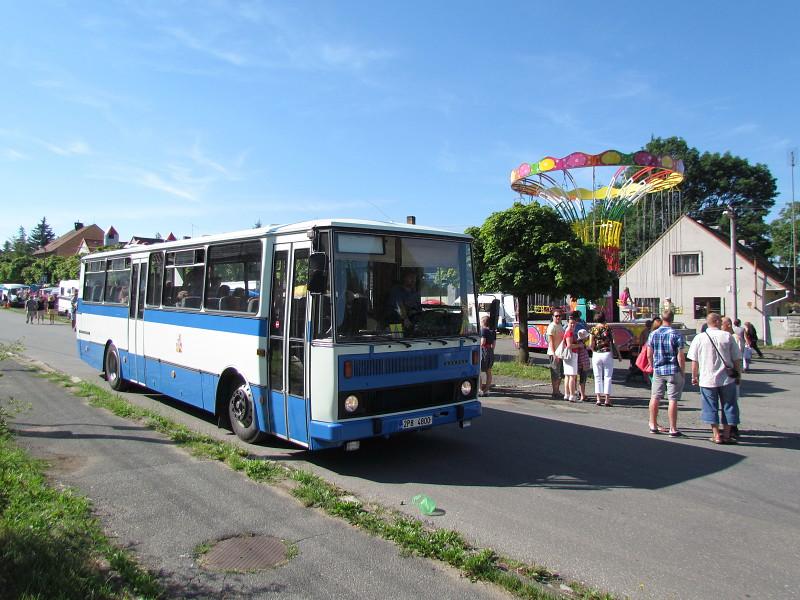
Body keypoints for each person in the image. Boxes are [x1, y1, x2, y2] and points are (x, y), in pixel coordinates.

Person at [688, 313, 742, 444]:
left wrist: (694, 376)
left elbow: (694, 361)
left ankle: (716, 434)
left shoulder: (699, 338)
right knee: (729, 405)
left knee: (710, 406)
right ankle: (728, 434)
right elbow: (736, 359)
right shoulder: (727, 336)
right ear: (717, 322)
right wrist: (738, 375)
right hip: (726, 378)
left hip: (707, 378)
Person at [646, 310, 686, 436]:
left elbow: (649, 354)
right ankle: (672, 428)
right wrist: (683, 371)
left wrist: (652, 366)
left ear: (662, 319)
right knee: (672, 399)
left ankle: (653, 424)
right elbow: (680, 356)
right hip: (672, 369)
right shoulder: (676, 334)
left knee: (655, 397)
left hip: (658, 369)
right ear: (672, 319)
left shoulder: (653, 334)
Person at [589, 313, 616, 406]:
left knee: (597, 377)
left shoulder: (593, 329)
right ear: (604, 319)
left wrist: (594, 351)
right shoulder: (608, 328)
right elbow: (614, 342)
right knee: (608, 377)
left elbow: (590, 344)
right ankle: (607, 399)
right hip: (607, 353)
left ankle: (598, 399)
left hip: (596, 354)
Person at [545, 310, 565, 399]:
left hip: (561, 353)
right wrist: (554, 354)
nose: (558, 317)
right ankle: (554, 391)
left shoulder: (560, 325)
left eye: (560, 316)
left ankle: (557, 390)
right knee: (555, 372)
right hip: (554, 353)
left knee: (560, 373)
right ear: (552, 316)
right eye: (556, 316)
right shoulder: (551, 326)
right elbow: (551, 342)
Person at [561, 314, 581, 402]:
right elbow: (569, 345)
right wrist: (579, 345)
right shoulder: (569, 332)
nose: (572, 325)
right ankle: (572, 395)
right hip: (571, 355)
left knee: (567, 376)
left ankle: (567, 394)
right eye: (571, 323)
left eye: (574, 323)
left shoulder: (567, 331)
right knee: (572, 376)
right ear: (568, 323)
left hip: (568, 355)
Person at [479, 315, 496, 396]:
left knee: (478, 371)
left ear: (483, 322)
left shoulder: (483, 330)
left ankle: (480, 389)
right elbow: (494, 345)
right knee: (488, 371)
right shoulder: (493, 331)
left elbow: (482, 342)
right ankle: (486, 390)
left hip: (483, 351)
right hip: (490, 352)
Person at [576, 328, 591, 402]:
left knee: (582, 380)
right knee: (582, 381)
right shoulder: (581, 344)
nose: (588, 338)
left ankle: (581, 394)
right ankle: (582, 395)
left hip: (582, 365)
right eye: (586, 336)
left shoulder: (581, 344)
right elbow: (581, 357)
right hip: (583, 365)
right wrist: (583, 365)